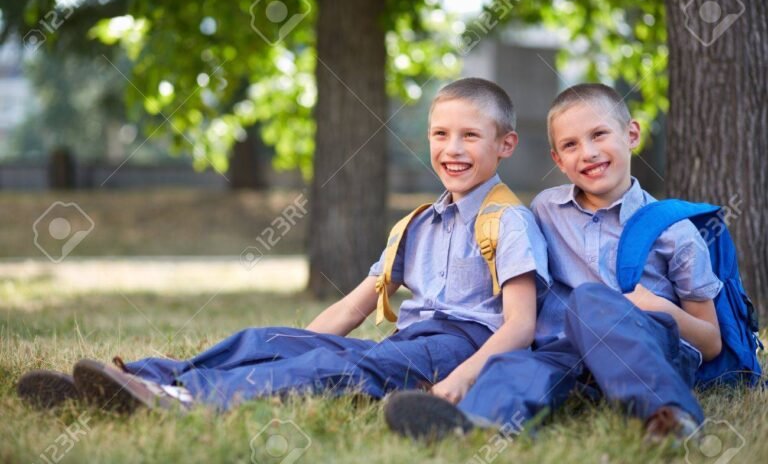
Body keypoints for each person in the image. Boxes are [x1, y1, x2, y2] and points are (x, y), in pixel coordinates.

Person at [17, 77, 550, 413]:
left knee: (329, 373)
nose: (451, 149)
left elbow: (520, 326)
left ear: (505, 145)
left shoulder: (509, 222)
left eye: (469, 136)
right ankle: (134, 378)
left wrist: (458, 381)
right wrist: (297, 339)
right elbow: (354, 305)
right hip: (409, 344)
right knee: (266, 338)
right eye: (440, 134)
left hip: (455, 348)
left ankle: (180, 398)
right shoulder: (417, 224)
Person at [384, 83, 722, 443]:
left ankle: (671, 418)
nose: (588, 153)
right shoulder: (546, 209)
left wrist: (658, 307)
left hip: (646, 347)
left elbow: (711, 341)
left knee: (589, 300)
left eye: (599, 135)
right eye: (570, 145)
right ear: (558, 160)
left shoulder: (675, 231)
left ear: (631, 134)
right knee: (517, 365)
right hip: (569, 353)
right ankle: (473, 425)